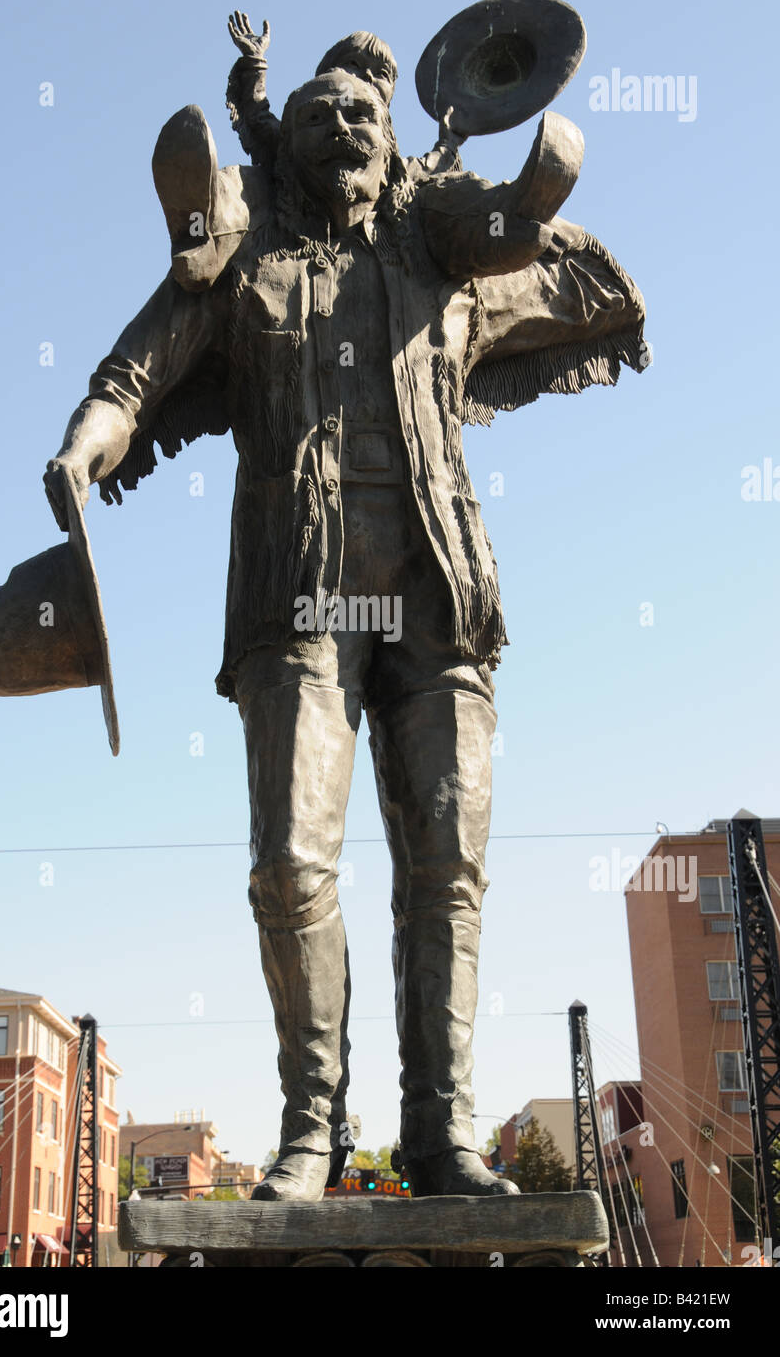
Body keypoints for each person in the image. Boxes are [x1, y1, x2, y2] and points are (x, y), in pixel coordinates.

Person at [44, 68, 646, 1201]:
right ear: (289, 146)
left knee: (446, 869)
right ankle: (310, 1127)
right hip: (302, 598)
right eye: (317, 115)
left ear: (389, 138)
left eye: (362, 112)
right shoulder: (241, 264)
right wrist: (86, 446)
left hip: (435, 588)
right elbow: (132, 374)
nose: (342, 128)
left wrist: (543, 171)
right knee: (287, 866)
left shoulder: (438, 249)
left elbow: (533, 238)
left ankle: (441, 1136)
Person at [226, 11, 464, 179]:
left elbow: (422, 171)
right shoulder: (304, 134)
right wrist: (254, 62)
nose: (369, 76)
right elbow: (260, 121)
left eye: (382, 73)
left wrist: (448, 142)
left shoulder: (388, 164)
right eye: (355, 63)